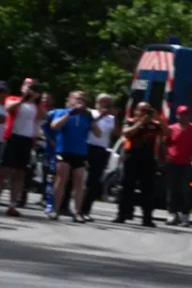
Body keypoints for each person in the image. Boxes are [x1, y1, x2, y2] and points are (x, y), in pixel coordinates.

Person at [116, 102, 164, 226]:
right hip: (131, 157)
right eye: (142, 110)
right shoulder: (130, 121)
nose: (144, 113)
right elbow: (126, 133)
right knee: (126, 186)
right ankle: (122, 214)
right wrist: (140, 123)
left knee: (148, 188)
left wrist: (158, 118)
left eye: (147, 111)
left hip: (148, 159)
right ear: (136, 111)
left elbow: (167, 132)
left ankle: (147, 217)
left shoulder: (154, 124)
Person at [48, 91, 93, 221]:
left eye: (83, 99)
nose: (80, 101)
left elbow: (98, 133)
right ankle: (55, 210)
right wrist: (69, 113)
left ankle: (78, 212)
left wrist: (91, 118)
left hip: (80, 152)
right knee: (61, 179)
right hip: (64, 150)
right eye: (78, 99)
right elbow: (54, 126)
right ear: (71, 100)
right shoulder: (62, 112)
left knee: (79, 181)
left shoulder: (86, 116)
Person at [3, 78, 43, 216]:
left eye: (33, 88)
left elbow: (43, 116)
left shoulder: (36, 106)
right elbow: (8, 108)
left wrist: (36, 100)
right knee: (4, 171)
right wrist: (23, 99)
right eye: (28, 86)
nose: (30, 89)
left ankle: (13, 204)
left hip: (26, 140)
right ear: (22, 87)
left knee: (20, 173)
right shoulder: (14, 99)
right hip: (12, 137)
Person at [163, 105, 192, 226]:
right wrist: (166, 154)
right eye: (180, 114)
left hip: (186, 164)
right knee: (172, 190)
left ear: (189, 116)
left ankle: (185, 215)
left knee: (185, 191)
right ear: (177, 115)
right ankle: (172, 214)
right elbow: (164, 143)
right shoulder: (171, 128)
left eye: (185, 114)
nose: (182, 117)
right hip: (173, 163)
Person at [82, 93, 118, 220]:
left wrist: (115, 117)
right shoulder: (90, 113)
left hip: (101, 149)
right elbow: (86, 127)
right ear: (97, 102)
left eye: (108, 102)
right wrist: (101, 116)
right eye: (103, 101)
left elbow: (116, 134)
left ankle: (85, 210)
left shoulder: (111, 118)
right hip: (86, 146)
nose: (105, 104)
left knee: (94, 181)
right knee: (77, 176)